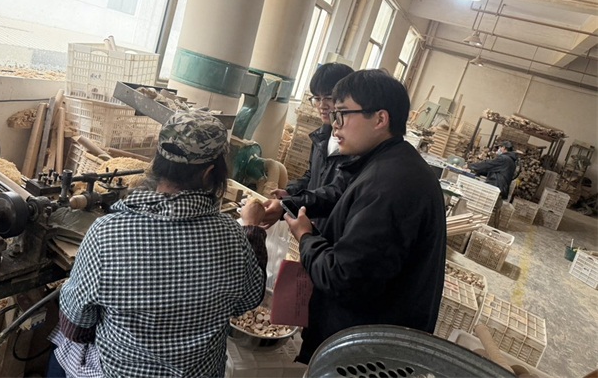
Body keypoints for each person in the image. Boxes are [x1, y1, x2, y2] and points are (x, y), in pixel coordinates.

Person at [56, 109, 268, 377]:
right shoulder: (233, 236)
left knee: (61, 346)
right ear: (209, 173)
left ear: (157, 161)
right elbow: (248, 301)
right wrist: (252, 229)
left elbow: (76, 326)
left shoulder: (106, 233)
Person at [280, 69, 447, 364]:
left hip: (363, 354)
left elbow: (343, 278)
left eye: (343, 114)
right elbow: (338, 192)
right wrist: (288, 205)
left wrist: (306, 237)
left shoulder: (392, 185)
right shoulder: (387, 162)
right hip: (364, 337)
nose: (335, 124)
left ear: (380, 119)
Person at [271, 62, 355, 230]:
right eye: (317, 98)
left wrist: (290, 204)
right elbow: (312, 176)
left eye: (329, 98)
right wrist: (291, 192)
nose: (322, 105)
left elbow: (337, 193)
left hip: (335, 229)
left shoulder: (355, 146)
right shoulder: (321, 137)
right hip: (314, 223)